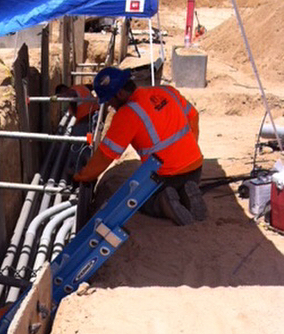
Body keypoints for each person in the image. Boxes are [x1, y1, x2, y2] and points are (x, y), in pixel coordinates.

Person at [74, 67, 207, 225]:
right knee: (180, 182)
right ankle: (187, 190)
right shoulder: (167, 91)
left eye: (109, 100)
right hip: (196, 168)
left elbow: (106, 154)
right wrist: (189, 148)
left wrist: (83, 176)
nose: (110, 106)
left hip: (165, 178)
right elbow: (193, 115)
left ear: (119, 94)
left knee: (135, 199)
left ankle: (162, 202)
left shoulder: (127, 115)